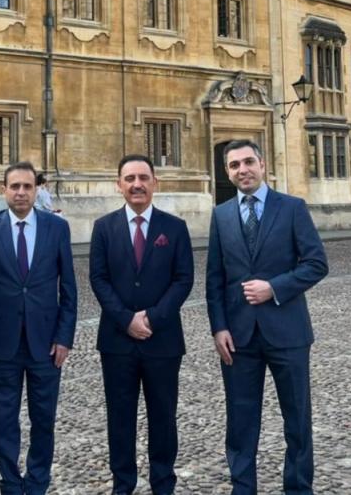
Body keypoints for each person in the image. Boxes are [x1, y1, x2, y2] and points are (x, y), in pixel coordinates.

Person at [205, 139, 329, 495]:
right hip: (238, 337)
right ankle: (243, 489)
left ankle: (298, 488)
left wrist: (274, 287)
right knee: (240, 422)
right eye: (234, 165)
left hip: (288, 332)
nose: (242, 170)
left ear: (262, 164)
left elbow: (316, 263)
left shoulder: (291, 208)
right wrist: (218, 327)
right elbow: (215, 278)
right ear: (228, 172)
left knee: (297, 420)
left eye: (248, 162)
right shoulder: (221, 215)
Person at [89, 154, 194, 495]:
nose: (137, 184)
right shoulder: (103, 227)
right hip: (117, 342)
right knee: (120, 418)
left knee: (163, 417)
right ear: (118, 184)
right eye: (130, 178)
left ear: (155, 183)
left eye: (143, 178)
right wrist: (126, 319)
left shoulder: (174, 227)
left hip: (162, 340)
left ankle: (163, 484)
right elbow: (98, 279)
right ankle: (123, 485)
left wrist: (151, 318)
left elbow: (183, 279)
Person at [0, 161, 77, 495]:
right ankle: (10, 484)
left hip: (46, 344)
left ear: (36, 190)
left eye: (27, 187)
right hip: (0, 344)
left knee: (43, 419)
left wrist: (64, 338)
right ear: (3, 190)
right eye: (14, 186)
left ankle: (37, 483)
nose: (21, 193)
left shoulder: (57, 228)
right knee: (4, 421)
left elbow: (69, 289)